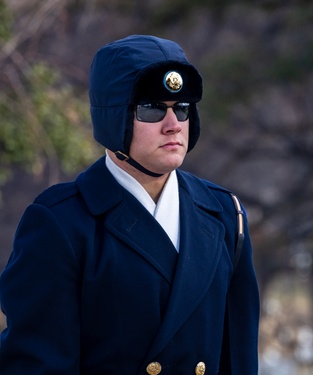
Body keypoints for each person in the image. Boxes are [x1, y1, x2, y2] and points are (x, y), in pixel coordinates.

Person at [0, 35, 260, 375]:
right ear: (113, 118)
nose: (173, 125)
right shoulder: (60, 223)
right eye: (152, 109)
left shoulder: (225, 214)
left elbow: (239, 361)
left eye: (181, 109)